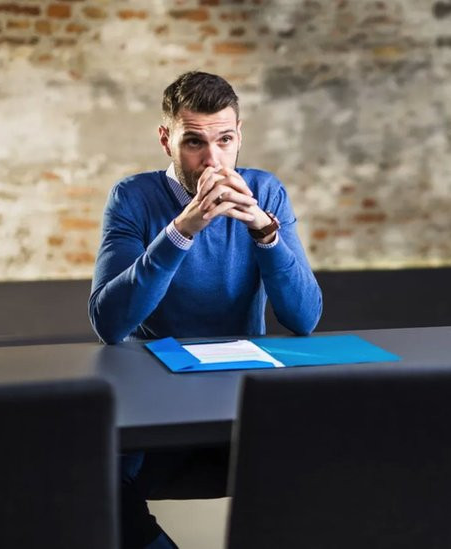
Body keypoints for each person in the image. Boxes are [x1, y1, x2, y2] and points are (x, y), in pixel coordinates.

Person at [88, 71, 323, 548]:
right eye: (194, 141)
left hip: (238, 396)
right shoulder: (133, 198)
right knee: (93, 484)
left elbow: (305, 318)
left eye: (225, 140)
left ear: (239, 137)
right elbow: (109, 324)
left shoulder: (266, 191)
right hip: (155, 400)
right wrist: (181, 230)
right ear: (166, 139)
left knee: (333, 462)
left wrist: (265, 231)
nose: (212, 159)